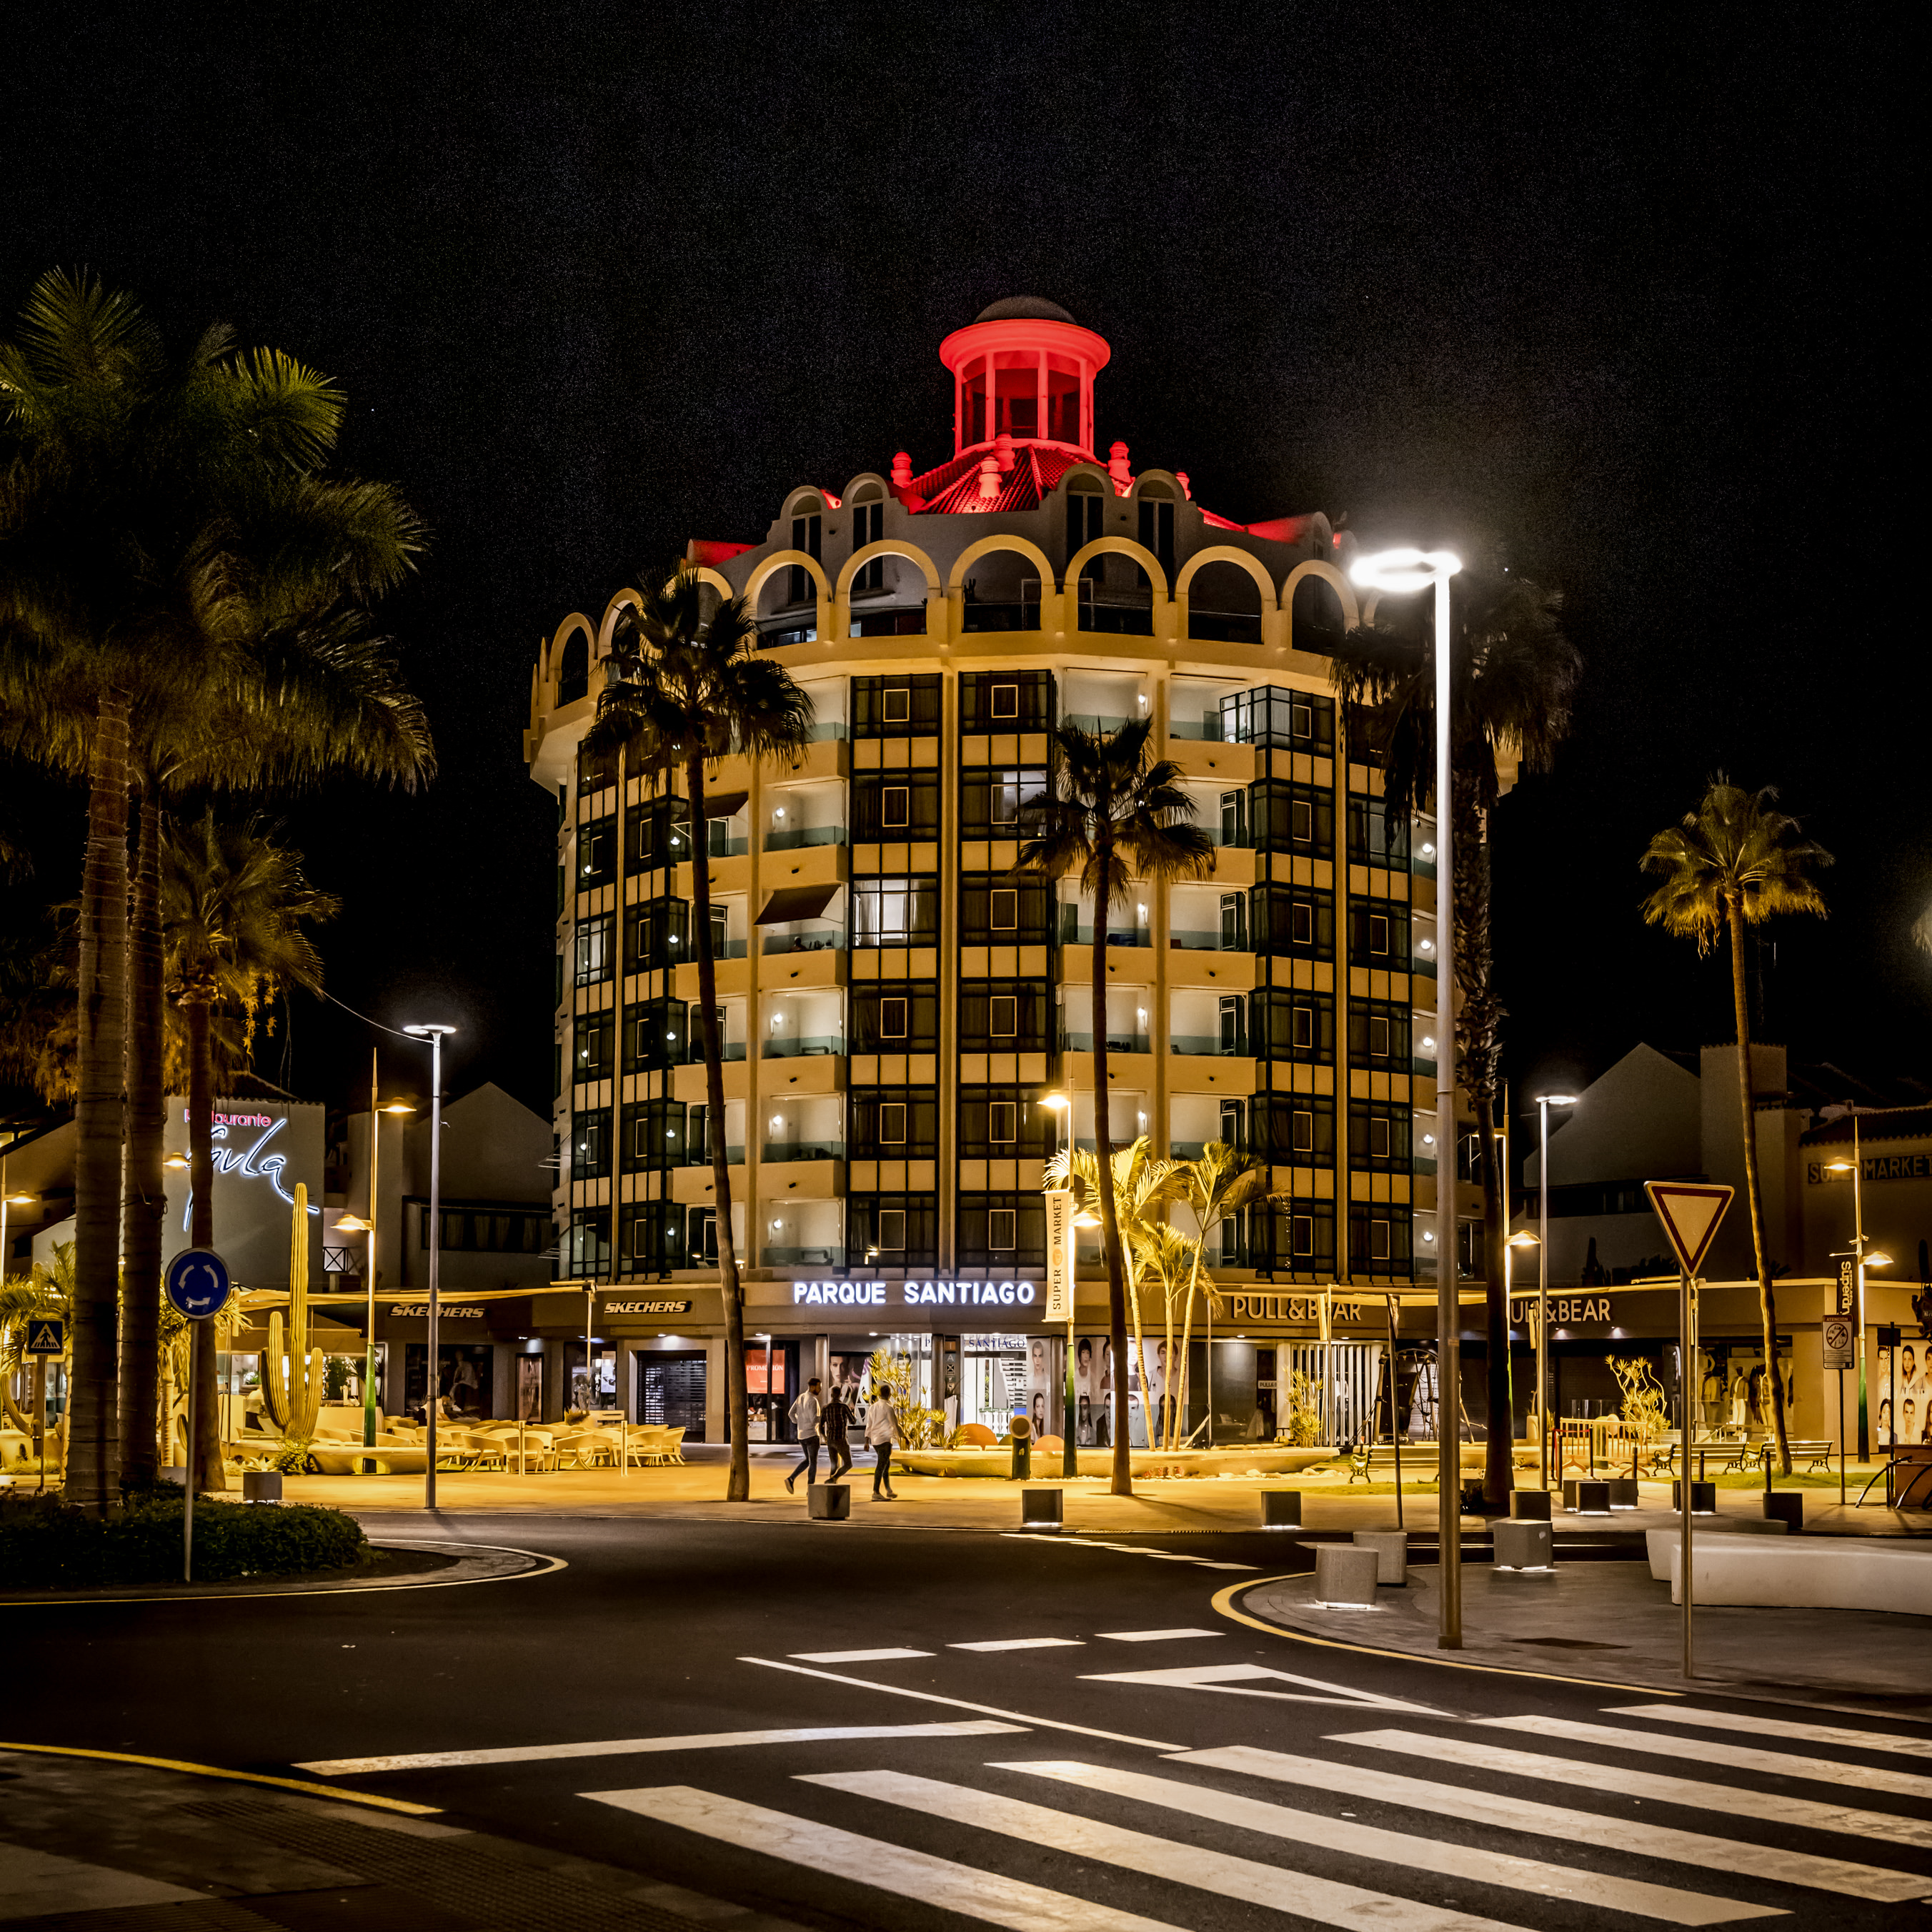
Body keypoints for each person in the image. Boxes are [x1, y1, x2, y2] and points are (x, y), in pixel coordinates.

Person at [785, 1377, 823, 1493]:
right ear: (812, 1387)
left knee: (808, 1460)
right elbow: (814, 1419)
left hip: (802, 1435)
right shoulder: (813, 1401)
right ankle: (810, 1489)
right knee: (813, 1462)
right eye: (819, 1387)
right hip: (812, 1435)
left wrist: (799, 1422)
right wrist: (823, 1417)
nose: (820, 1389)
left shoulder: (800, 1397)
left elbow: (791, 1414)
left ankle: (791, 1479)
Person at [864, 1380, 900, 1500]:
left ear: (879, 1394)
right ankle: (876, 1492)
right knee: (881, 1465)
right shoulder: (889, 1408)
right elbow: (895, 1424)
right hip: (885, 1440)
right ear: (889, 1394)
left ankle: (888, 1490)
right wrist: (903, 1436)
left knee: (886, 1464)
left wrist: (867, 1441)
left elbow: (869, 1424)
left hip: (875, 1440)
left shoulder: (873, 1407)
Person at [822, 1381, 854, 1483]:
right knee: (848, 1464)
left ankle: (831, 1485)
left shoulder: (826, 1408)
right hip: (841, 1439)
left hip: (830, 1439)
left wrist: (825, 1437)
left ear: (831, 1395)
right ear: (840, 1395)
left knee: (834, 1464)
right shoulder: (844, 1407)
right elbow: (853, 1421)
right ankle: (833, 1479)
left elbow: (821, 1425)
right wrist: (852, 1414)